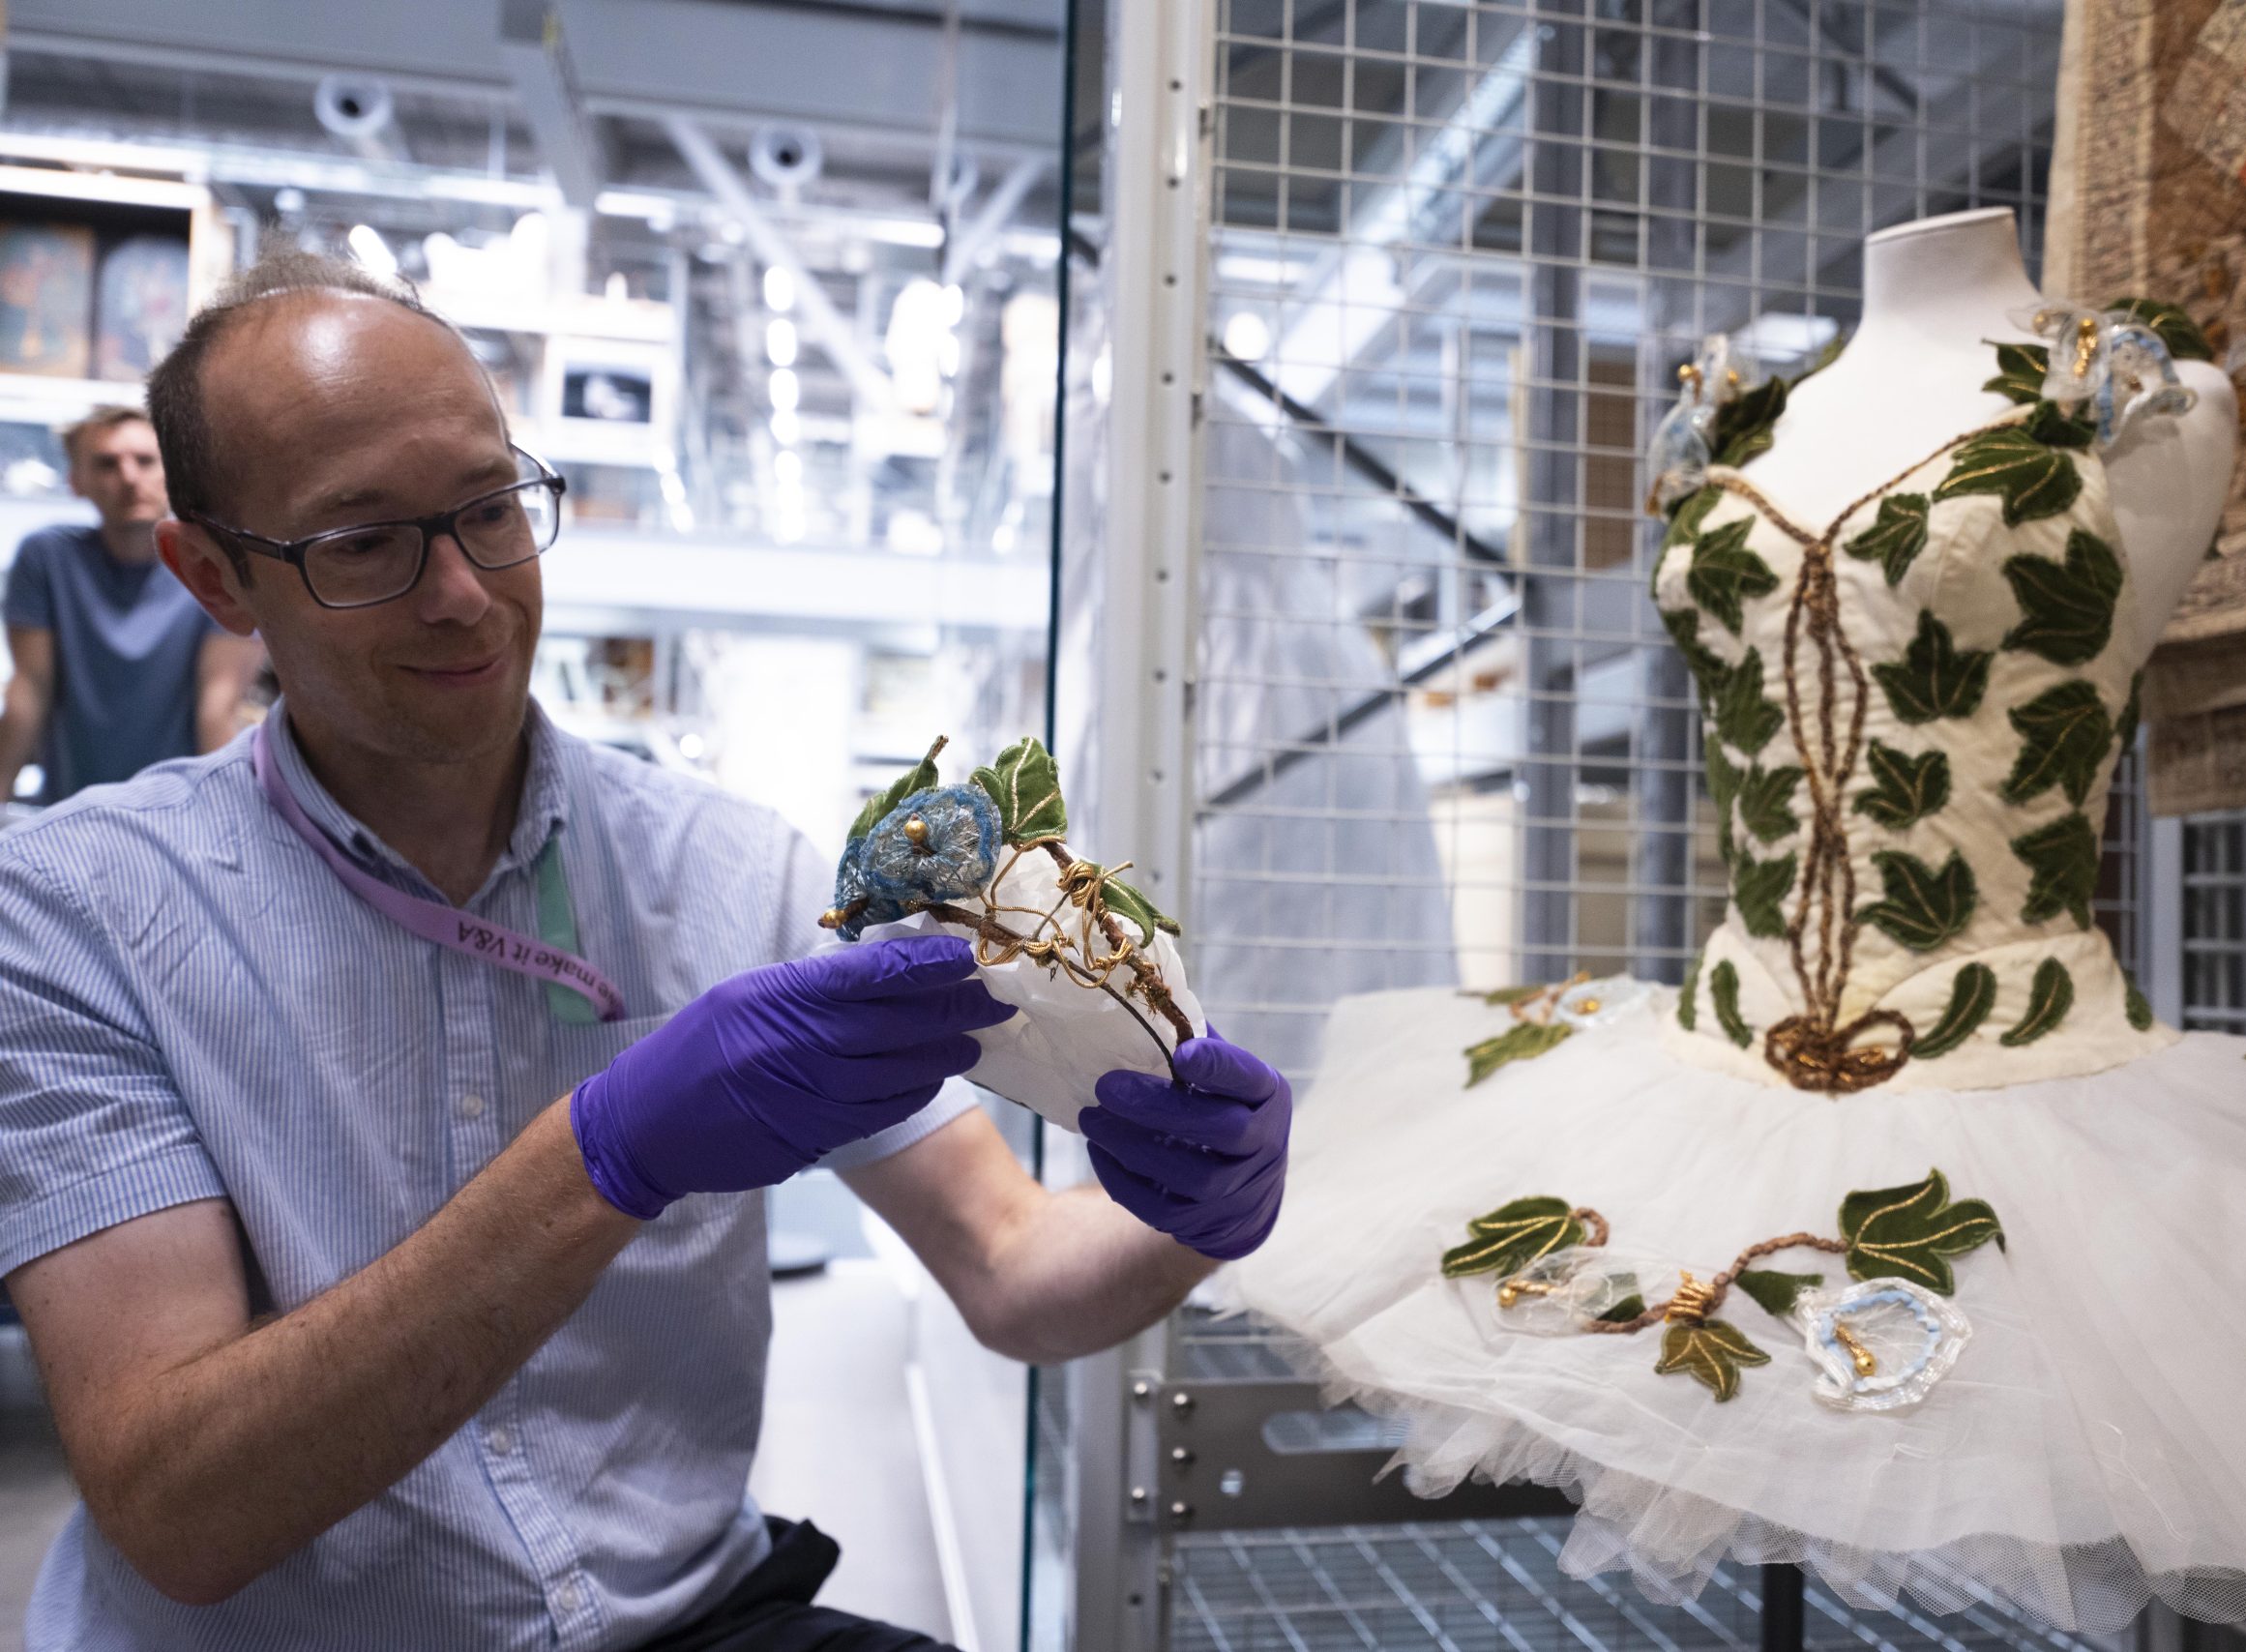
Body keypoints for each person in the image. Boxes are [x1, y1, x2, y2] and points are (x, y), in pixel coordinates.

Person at [0, 248, 1291, 1651]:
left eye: (491, 508)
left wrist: (1187, 1214)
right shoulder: (76, 914)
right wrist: (600, 1154)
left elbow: (1012, 1265)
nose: (465, 594)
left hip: (681, 1621)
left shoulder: (732, 871)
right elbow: (180, 1510)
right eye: (363, 542)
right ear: (214, 576)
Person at [0, 406, 260, 804]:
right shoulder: (47, 558)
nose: (128, 477)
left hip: (178, 814)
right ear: (76, 482)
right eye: (106, 464)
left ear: (173, 473)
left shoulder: (214, 565)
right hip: (71, 811)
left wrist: (226, 819)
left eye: (145, 460)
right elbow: (29, 691)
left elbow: (217, 708)